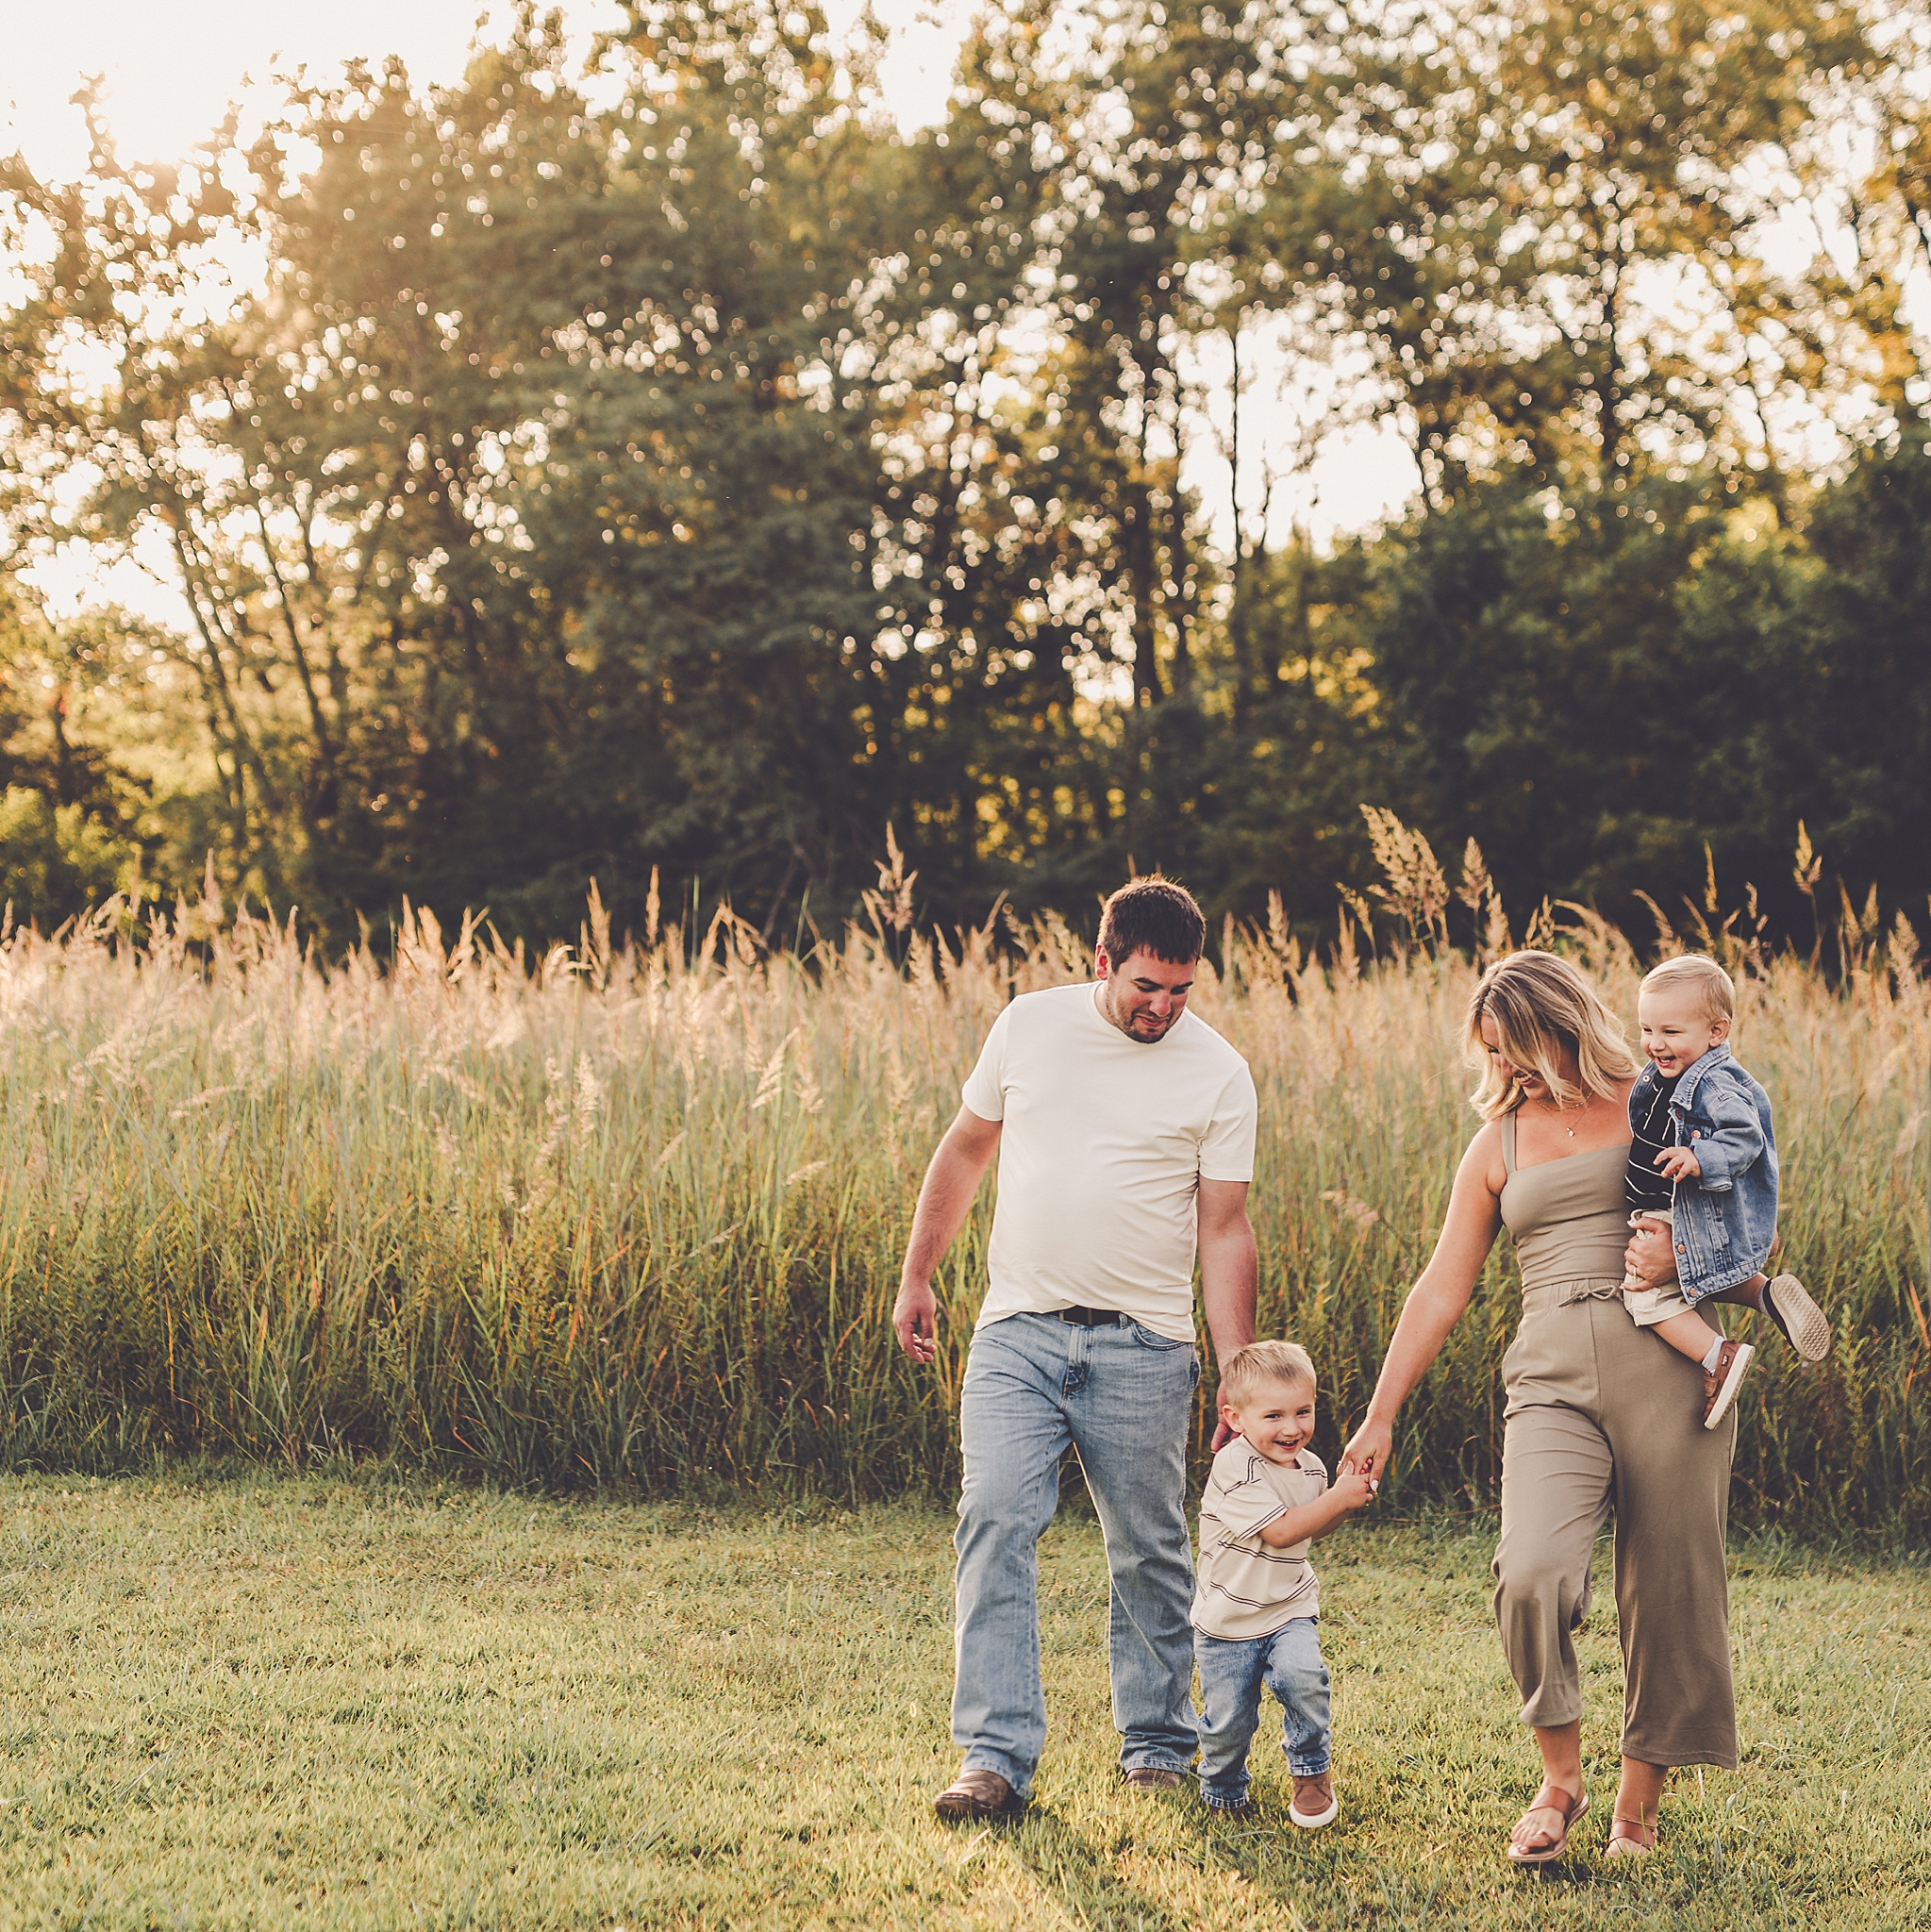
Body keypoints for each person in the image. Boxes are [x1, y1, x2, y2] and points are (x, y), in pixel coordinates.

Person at [1339, 950, 1738, 1863]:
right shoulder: (1498, 1143)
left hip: (1670, 1365)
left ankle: (1635, 1806)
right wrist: (1380, 1412)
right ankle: (1560, 1778)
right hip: (1550, 1377)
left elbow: (1750, 1219)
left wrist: (1686, 1257)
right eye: (1491, 1052)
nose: (1505, 1067)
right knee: (1529, 1572)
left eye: (1515, 1047)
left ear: (1563, 1026)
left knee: (1669, 1587)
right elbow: (1441, 1286)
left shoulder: (1660, 1101)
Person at [891, 876, 1258, 1823]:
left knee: (1147, 1547)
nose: (1163, 1007)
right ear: (1102, 961)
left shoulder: (1219, 1071)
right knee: (993, 1518)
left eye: (1181, 989)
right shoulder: (1028, 1025)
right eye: (1146, 986)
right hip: (1017, 1331)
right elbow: (965, 1147)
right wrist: (918, 1273)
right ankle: (993, 1757)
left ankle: (1157, 1745)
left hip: (1145, 1344)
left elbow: (1224, 1227)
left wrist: (1239, 1370)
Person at [1619, 953, 1830, 1427]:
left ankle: (1718, 1356)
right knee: (1701, 1270)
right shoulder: (1673, 1070)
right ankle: (1767, 1297)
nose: (1655, 1043)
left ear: (1716, 1032)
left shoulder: (1714, 1083)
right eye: (1647, 1029)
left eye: (1671, 1031)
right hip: (1676, 1203)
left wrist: (1700, 1158)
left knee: (1645, 1296)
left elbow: (1746, 1136)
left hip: (1681, 1207)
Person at [1191, 1339, 1377, 1825]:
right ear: (1235, 1418)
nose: (1292, 1428)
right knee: (1229, 1721)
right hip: (1227, 1620)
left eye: (1303, 1412)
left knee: (1303, 1679)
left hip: (1288, 1607)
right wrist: (1337, 1498)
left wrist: (1346, 1498)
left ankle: (1311, 1772)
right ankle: (1223, 1790)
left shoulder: (1311, 1467)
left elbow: (1314, 1526)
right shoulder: (1234, 1466)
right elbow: (1280, 1531)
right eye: (1273, 1416)